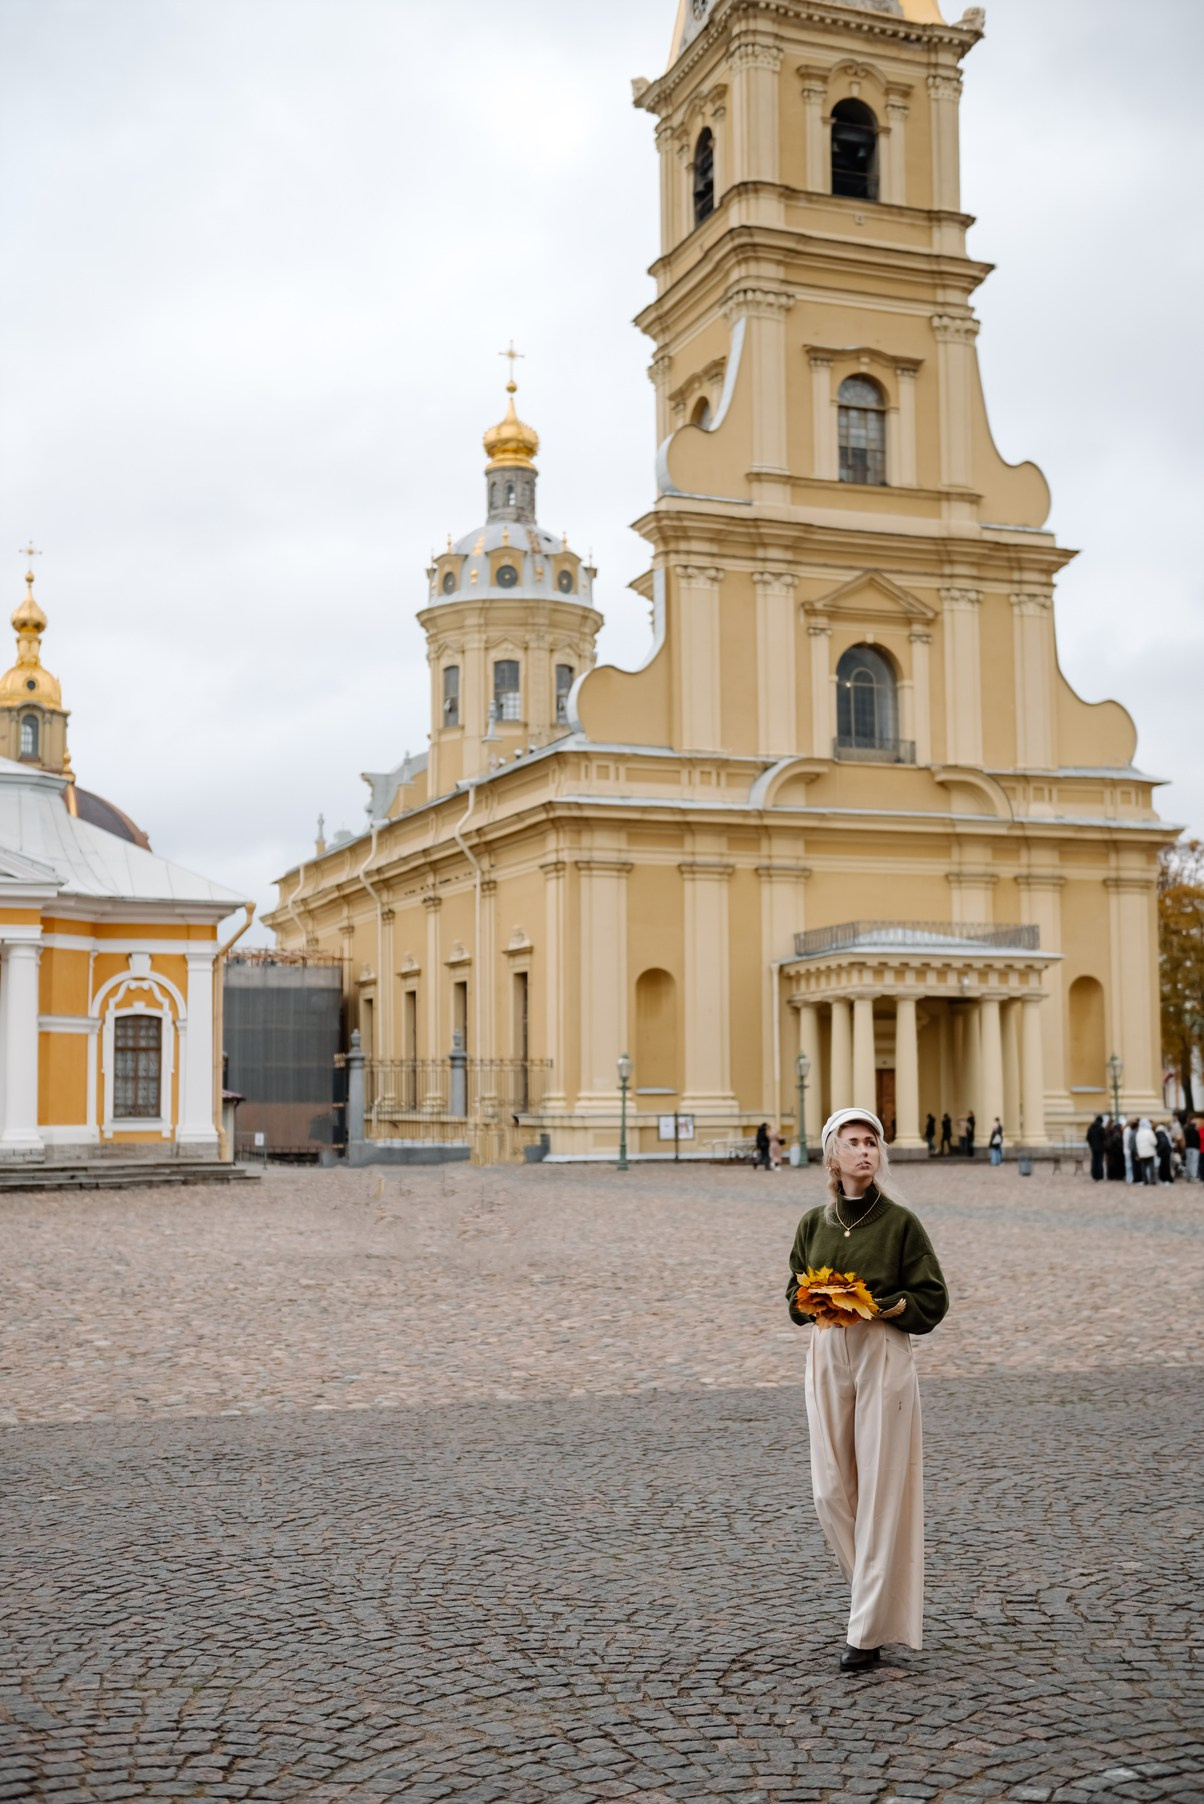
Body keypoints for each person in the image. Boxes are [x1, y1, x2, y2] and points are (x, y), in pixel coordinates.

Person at [785, 1107, 949, 1673]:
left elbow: (931, 1298)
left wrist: (881, 1305)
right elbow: (791, 1294)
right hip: (828, 1350)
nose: (865, 1151)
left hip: (882, 1349)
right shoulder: (814, 1223)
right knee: (830, 1490)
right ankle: (874, 1599)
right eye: (853, 1142)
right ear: (833, 1155)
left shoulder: (900, 1223)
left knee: (882, 1487)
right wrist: (814, 1299)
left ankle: (866, 1630)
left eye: (872, 1142)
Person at [1134, 1118, 1157, 1186]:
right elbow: (1154, 1142)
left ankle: (1145, 1180)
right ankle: (1152, 1180)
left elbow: (1137, 1143)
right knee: (1151, 1167)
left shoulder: (1138, 1133)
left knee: (1143, 1167)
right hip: (1150, 1152)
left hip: (1142, 1153)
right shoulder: (1149, 1132)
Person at [1086, 1114, 1106, 1183]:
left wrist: (1091, 1144)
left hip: (1093, 1147)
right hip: (1101, 1148)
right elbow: (1104, 1137)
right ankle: (1100, 1176)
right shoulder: (1101, 1128)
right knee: (1100, 1162)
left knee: (1094, 1161)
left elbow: (1088, 1138)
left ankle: (1094, 1175)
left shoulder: (1090, 1128)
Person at [1155, 1121, 1173, 1186]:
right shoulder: (1163, 1134)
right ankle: (1167, 1179)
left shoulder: (1159, 1134)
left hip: (1164, 1153)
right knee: (1165, 1166)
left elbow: (1163, 1144)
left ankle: (1166, 1179)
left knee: (1164, 1167)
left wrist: (1158, 1151)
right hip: (1166, 1152)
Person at [1186, 1117, 1201, 1183]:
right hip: (1194, 1148)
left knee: (1189, 1162)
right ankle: (1193, 1177)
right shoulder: (1194, 1129)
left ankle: (1189, 1176)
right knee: (1194, 1162)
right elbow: (1196, 1139)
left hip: (1188, 1147)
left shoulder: (1186, 1128)